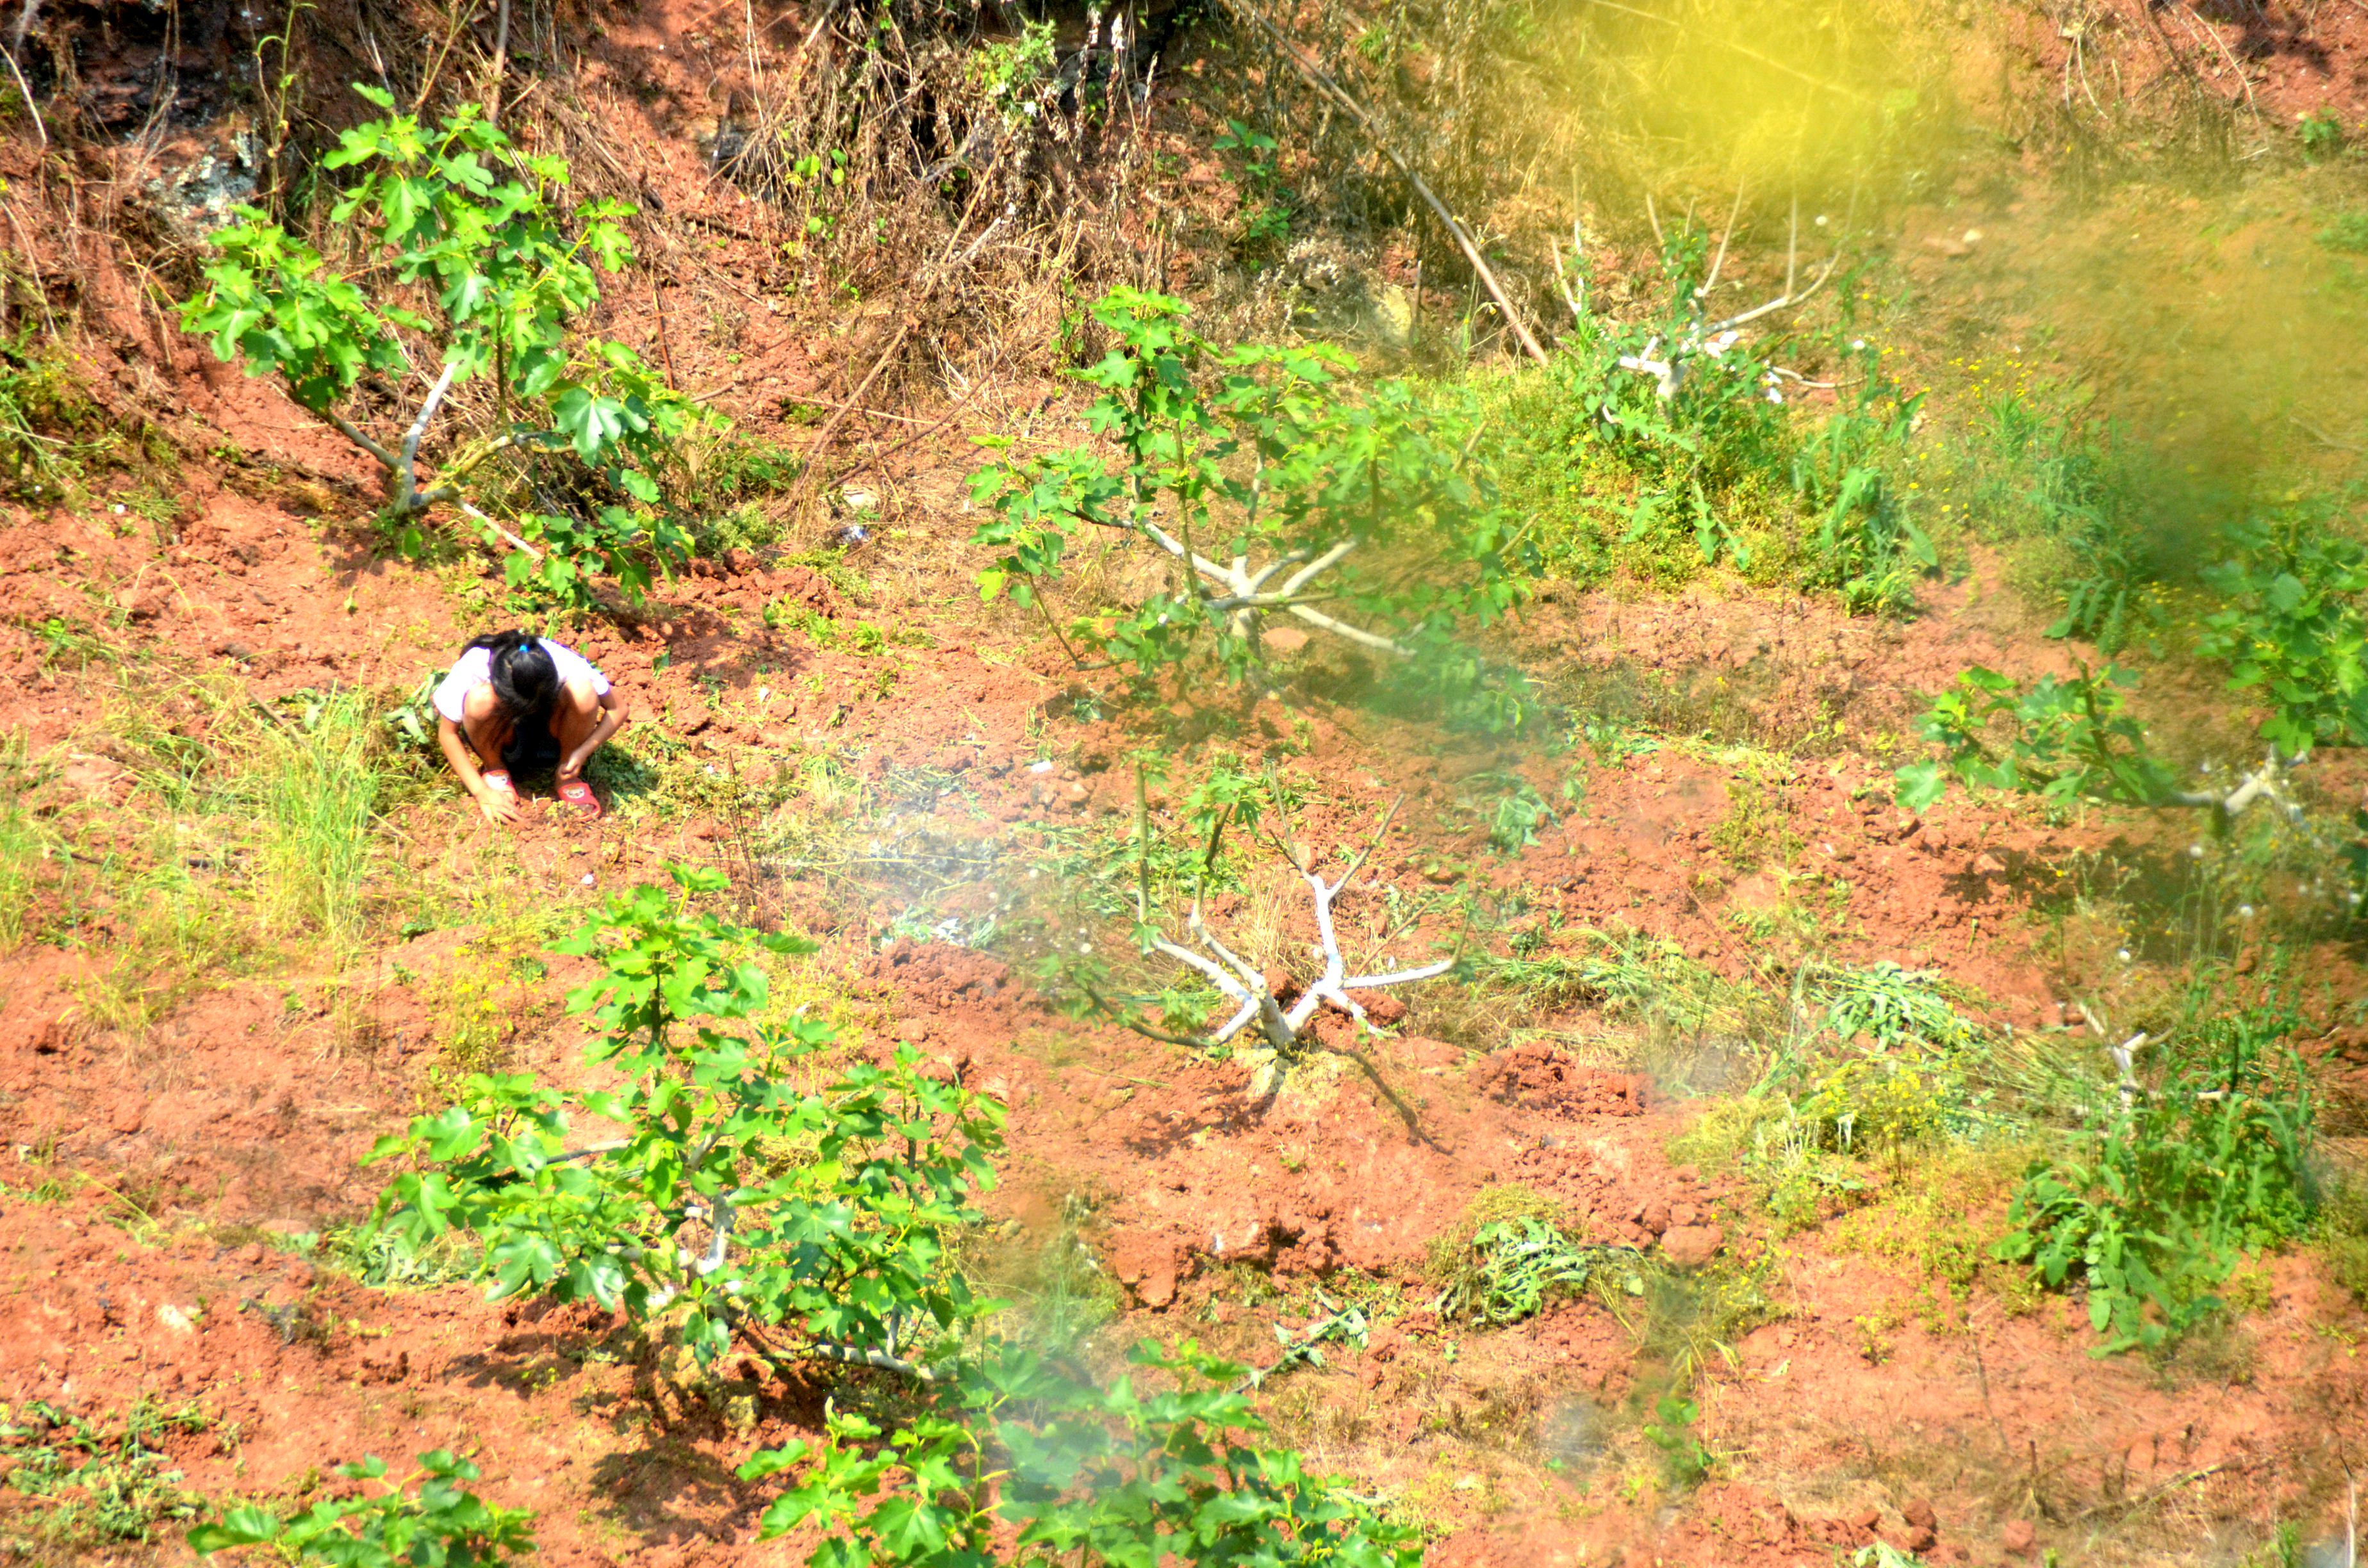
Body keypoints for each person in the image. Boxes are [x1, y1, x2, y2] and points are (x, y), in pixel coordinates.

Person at [434, 630, 624, 822]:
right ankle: (495, 768)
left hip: (553, 738)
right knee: (479, 699)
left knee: (583, 691)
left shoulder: (561, 661)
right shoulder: (475, 665)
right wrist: (481, 792)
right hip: (503, 737)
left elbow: (618, 709)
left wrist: (582, 752)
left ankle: (567, 775)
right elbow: (448, 734)